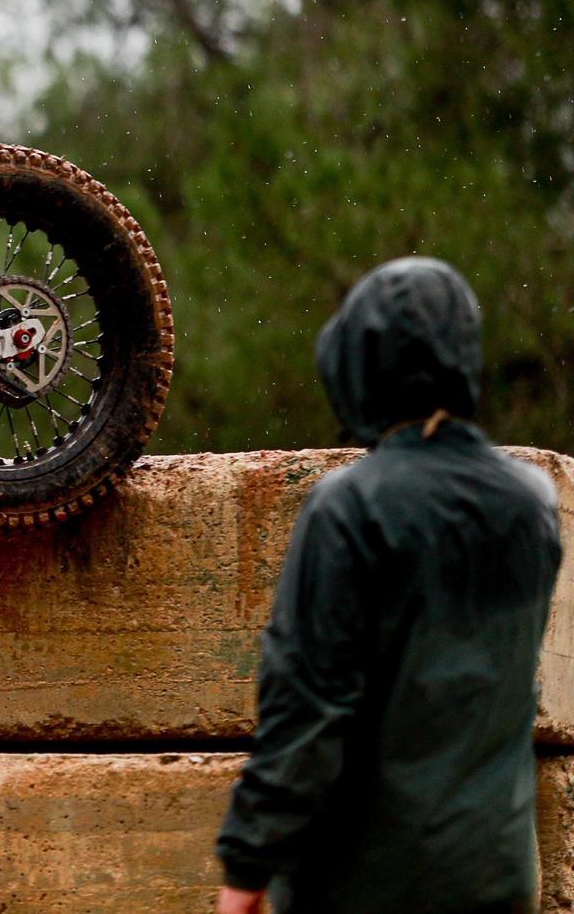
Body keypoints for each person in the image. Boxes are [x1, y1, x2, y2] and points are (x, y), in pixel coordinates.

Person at [215, 256, 560, 914]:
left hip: (368, 884)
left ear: (359, 364)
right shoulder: (531, 502)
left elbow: (307, 708)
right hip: (496, 877)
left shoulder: (349, 507)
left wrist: (247, 868)